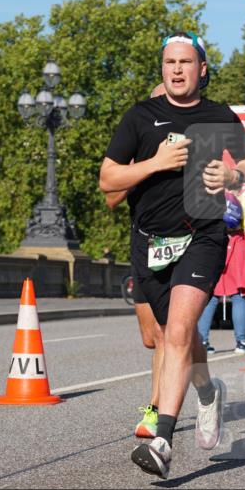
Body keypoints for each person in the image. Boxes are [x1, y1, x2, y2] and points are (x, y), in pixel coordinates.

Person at [100, 32, 245, 478]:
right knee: (175, 336)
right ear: (162, 68)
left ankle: (163, 440)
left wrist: (233, 174)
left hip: (203, 235)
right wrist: (156, 162)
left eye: (185, 62)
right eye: (169, 62)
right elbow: (108, 180)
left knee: (179, 330)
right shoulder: (141, 116)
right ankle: (208, 392)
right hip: (149, 242)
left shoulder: (216, 115)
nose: (176, 69)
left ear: (201, 69)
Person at [104, 83, 167, 439]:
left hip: (183, 244)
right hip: (144, 245)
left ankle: (155, 410)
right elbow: (111, 197)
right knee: (150, 337)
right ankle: (207, 387)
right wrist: (149, 167)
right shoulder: (139, 146)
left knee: (164, 333)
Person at [197, 190, 245, 354]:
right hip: (236, 245)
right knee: (238, 295)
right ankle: (241, 342)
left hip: (214, 244)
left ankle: (202, 341)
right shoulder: (242, 200)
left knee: (212, 295)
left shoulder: (209, 198)